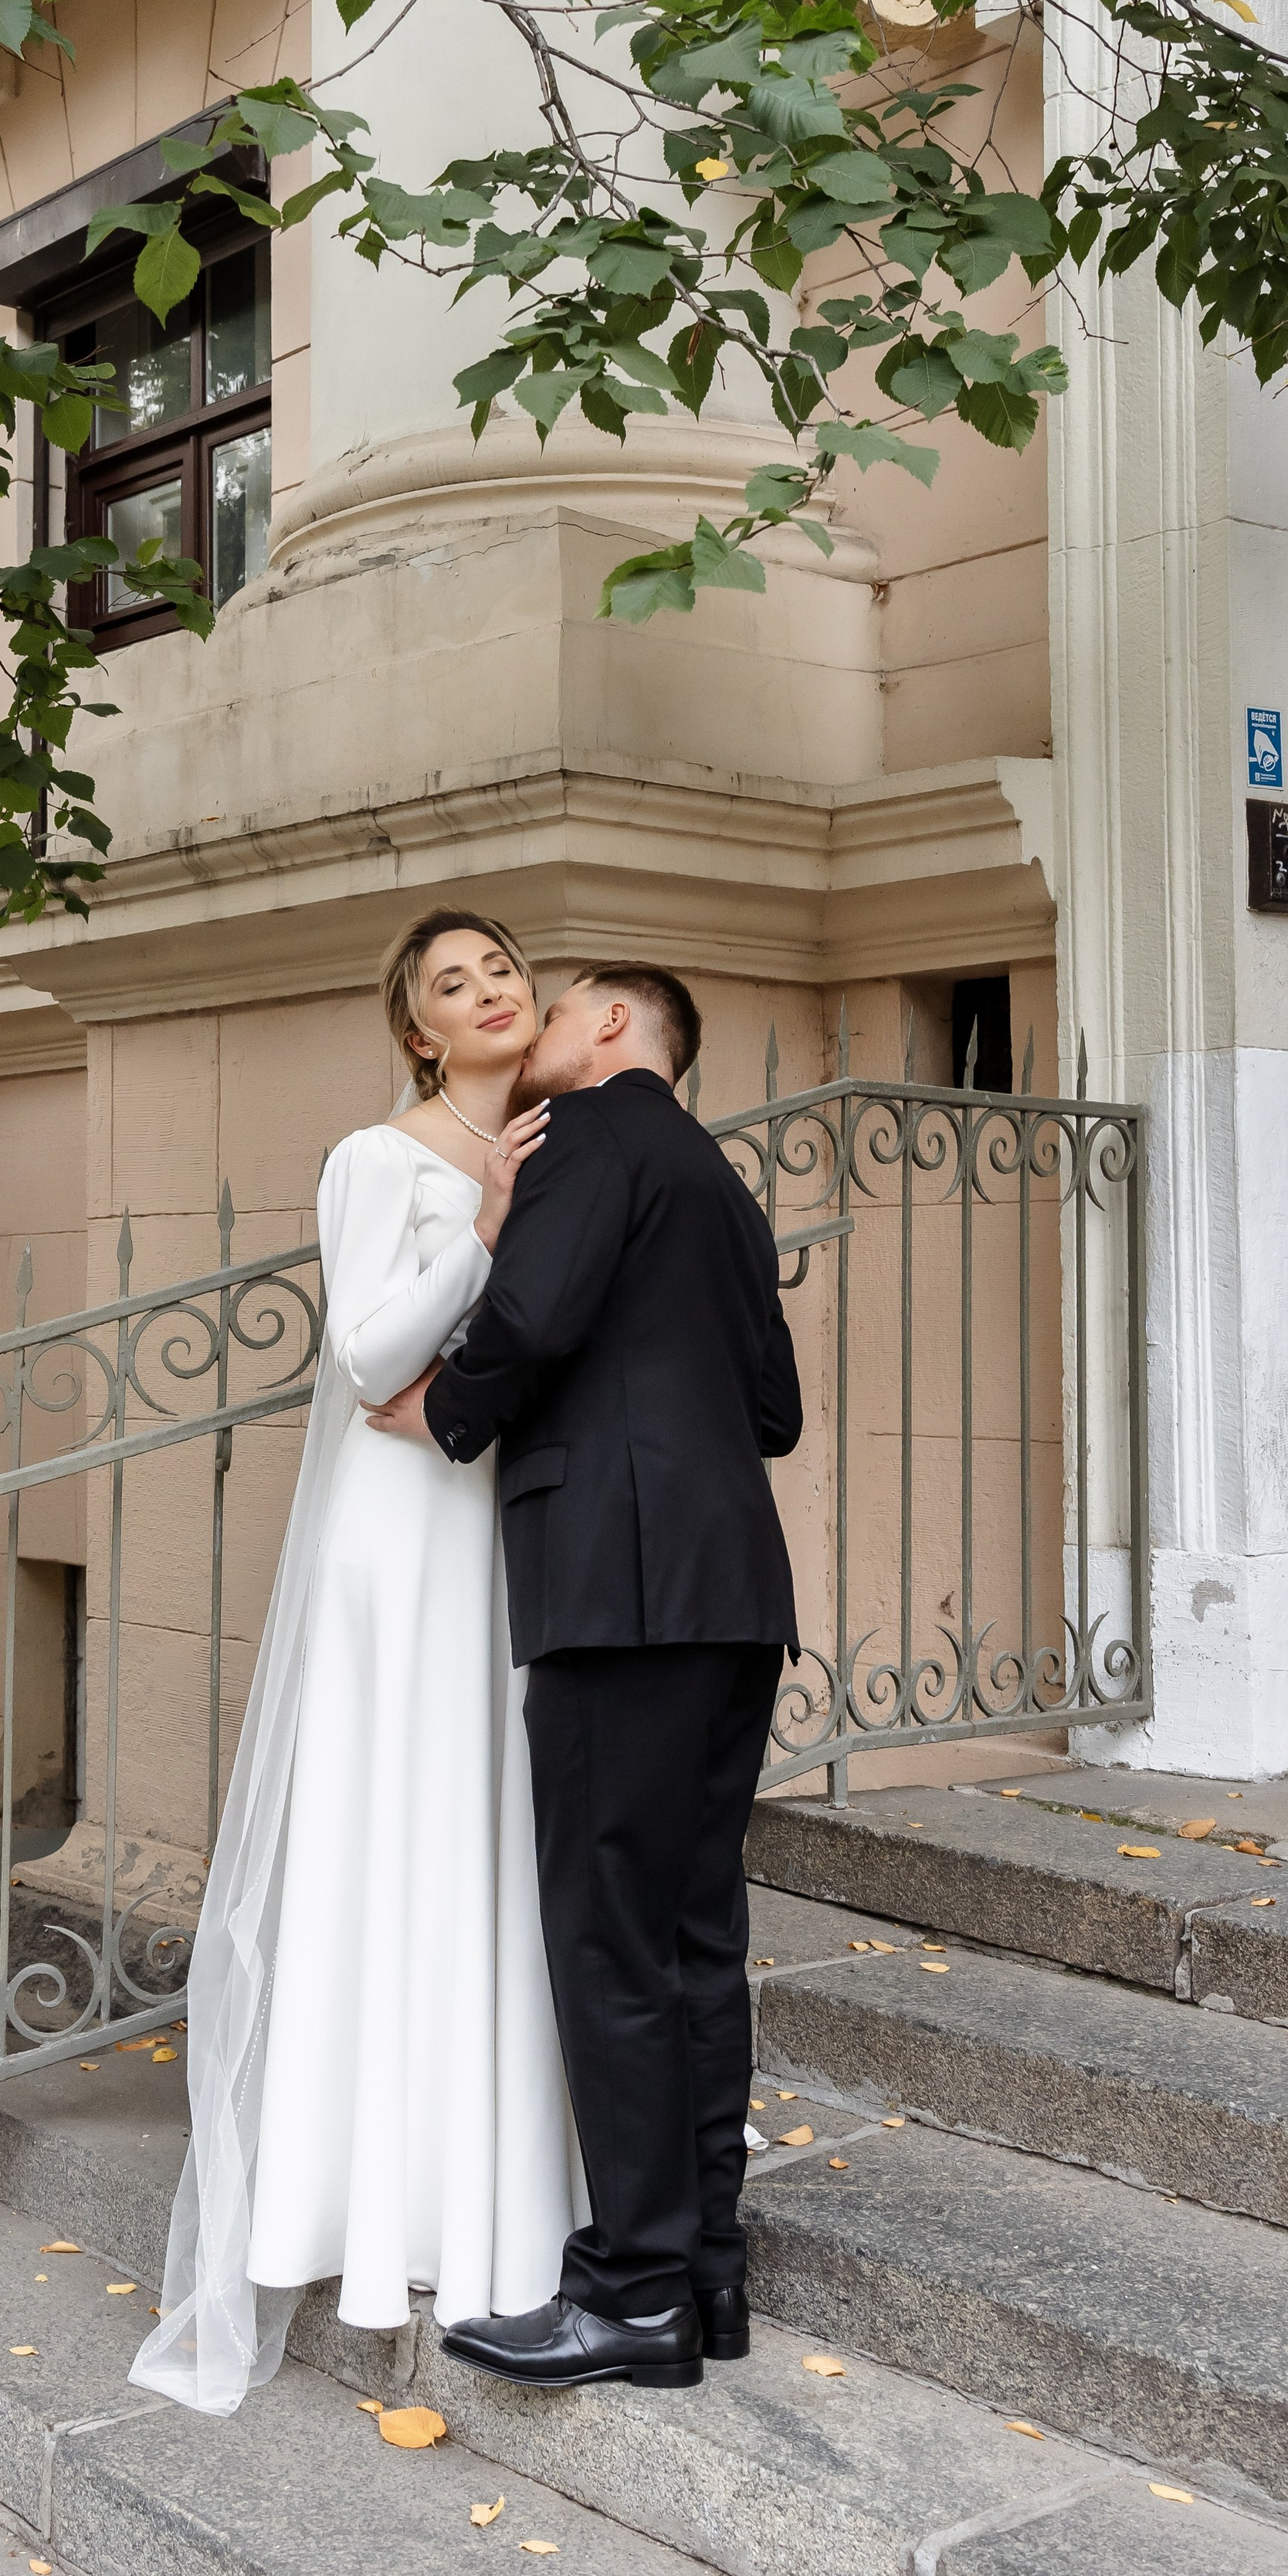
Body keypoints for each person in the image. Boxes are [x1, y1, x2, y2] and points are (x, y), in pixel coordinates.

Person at [128, 909, 586, 2417]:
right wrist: (488, 1232)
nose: (490, 990)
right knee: (399, 1836)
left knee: (485, 1841)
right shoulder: (380, 1160)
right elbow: (371, 1355)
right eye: (454, 982)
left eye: (502, 968)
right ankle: (363, 2208)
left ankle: (492, 2191)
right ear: (416, 1032)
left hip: (499, 1521)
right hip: (400, 1536)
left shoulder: (556, 1145)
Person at [366, 961, 802, 2391]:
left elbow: (536, 1315)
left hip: (621, 1594)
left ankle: (630, 2294)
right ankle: (707, 2274)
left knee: (611, 1943)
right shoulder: (719, 1185)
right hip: (735, 1598)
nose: (538, 1024)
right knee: (695, 1941)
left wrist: (448, 1410)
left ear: (614, 1025)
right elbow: (777, 1411)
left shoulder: (589, 1134)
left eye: (556, 1007)